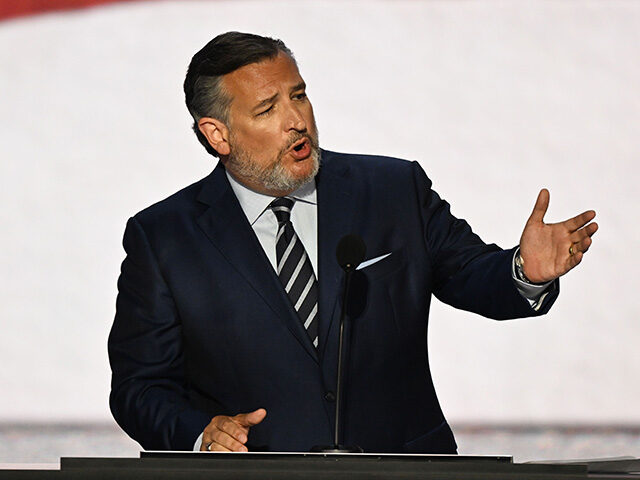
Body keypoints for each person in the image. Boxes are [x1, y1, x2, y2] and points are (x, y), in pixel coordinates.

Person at [108, 32, 598, 454]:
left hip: (403, 471)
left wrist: (523, 271)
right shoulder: (165, 237)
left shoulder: (391, 190)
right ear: (218, 134)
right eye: (267, 108)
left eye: (298, 96)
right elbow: (140, 388)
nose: (296, 120)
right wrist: (201, 433)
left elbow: (471, 274)